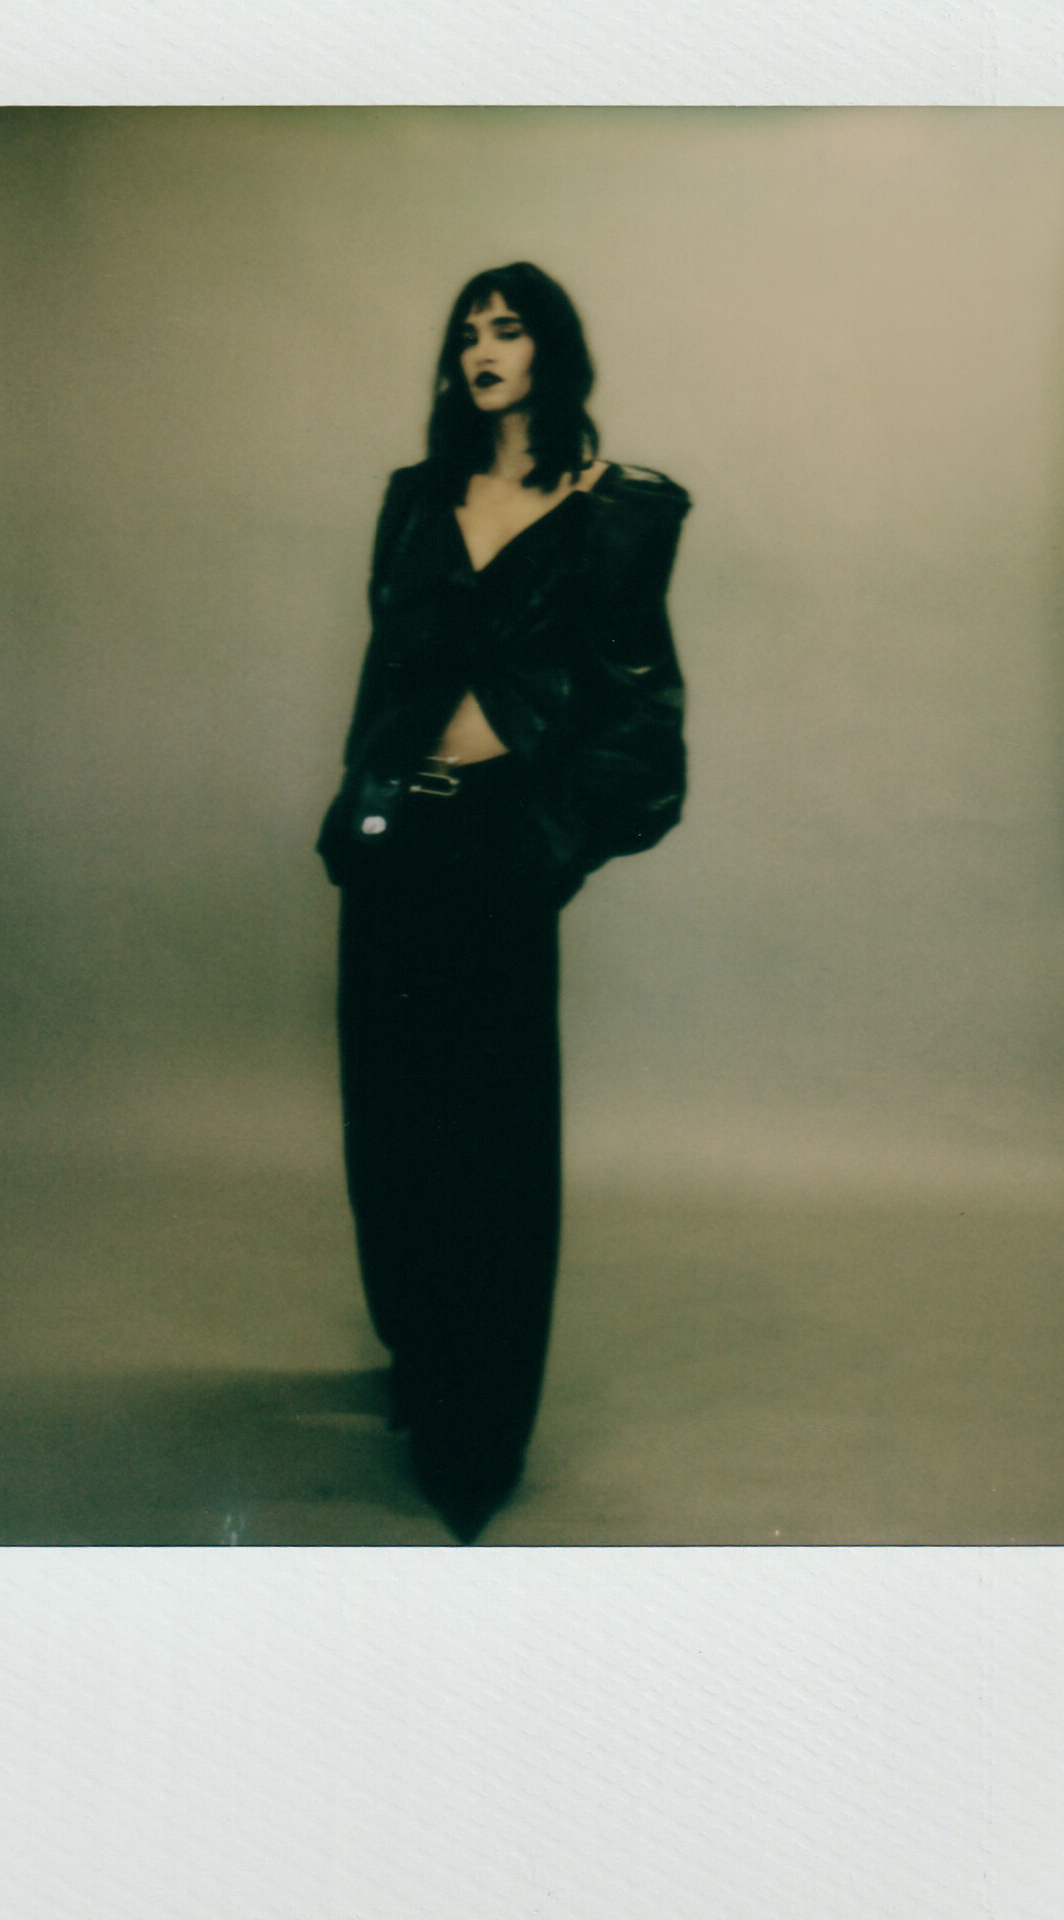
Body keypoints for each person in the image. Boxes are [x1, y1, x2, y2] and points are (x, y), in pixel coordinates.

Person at [317, 262, 692, 1542]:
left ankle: (478, 1442)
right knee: (391, 1122)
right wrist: (358, 808)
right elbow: (386, 670)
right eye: (468, 331)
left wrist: (551, 846)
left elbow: (640, 720)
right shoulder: (417, 498)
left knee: (493, 1146)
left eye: (509, 329)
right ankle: (421, 1364)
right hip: (397, 839)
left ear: (551, 351)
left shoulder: (615, 511)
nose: (483, 349)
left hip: (496, 851)